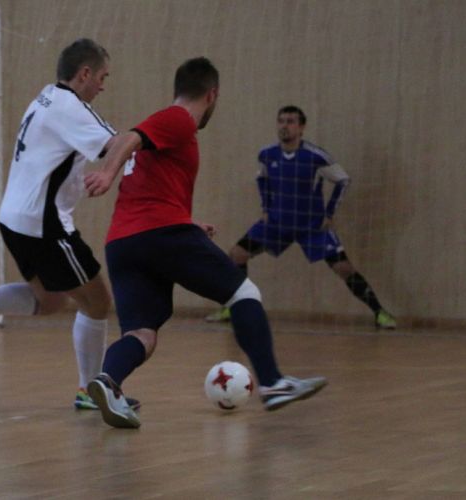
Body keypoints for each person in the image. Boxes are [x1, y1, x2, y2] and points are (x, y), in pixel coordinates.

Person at [83, 57, 327, 429]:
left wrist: (188, 222)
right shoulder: (179, 118)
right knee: (244, 294)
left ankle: (107, 381)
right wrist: (105, 174)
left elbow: (152, 188)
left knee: (142, 332)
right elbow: (129, 138)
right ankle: (273, 383)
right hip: (160, 233)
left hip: (123, 242)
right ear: (211, 94)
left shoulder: (170, 130)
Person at [0, 39, 139, 411]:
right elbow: (121, 143)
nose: (103, 86)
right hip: (45, 225)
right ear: (84, 74)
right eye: (102, 77)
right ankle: (90, 390)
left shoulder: (46, 96)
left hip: (14, 219)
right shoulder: (71, 107)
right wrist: (140, 151)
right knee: (98, 303)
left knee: (50, 300)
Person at [204, 105, 397, 329]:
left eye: (290, 121)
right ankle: (233, 308)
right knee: (236, 255)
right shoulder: (267, 154)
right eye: (281, 121)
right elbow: (262, 179)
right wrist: (266, 208)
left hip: (311, 226)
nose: (284, 126)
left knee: (344, 269)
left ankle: (380, 312)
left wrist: (329, 213)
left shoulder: (316, 157)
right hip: (277, 223)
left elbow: (343, 180)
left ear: (301, 127)